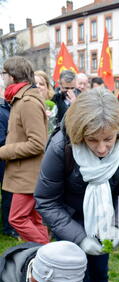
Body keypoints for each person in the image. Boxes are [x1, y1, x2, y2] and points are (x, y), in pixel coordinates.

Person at [35, 88, 119, 282]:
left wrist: (118, 224)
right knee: (74, 278)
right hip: (68, 219)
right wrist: (80, 237)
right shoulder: (62, 145)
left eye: (108, 139)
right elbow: (46, 200)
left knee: (99, 273)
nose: (103, 148)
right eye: (93, 141)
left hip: (104, 218)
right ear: (79, 134)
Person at [0, 56, 49, 244]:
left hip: (28, 175)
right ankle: (45, 260)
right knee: (35, 219)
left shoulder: (27, 102)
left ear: (11, 76)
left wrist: (3, 151)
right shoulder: (21, 98)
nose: (2, 78)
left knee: (17, 218)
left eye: (3, 73)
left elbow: (37, 143)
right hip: (26, 173)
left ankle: (48, 252)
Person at [0, 76, 17, 238]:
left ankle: (9, 225)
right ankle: (7, 227)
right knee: (7, 193)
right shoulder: (1, 110)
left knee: (9, 194)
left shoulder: (8, 107)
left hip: (8, 156)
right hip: (4, 158)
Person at [34, 69, 57, 134]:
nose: (38, 86)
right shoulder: (26, 104)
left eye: (41, 84)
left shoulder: (53, 106)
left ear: (47, 87)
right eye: (35, 83)